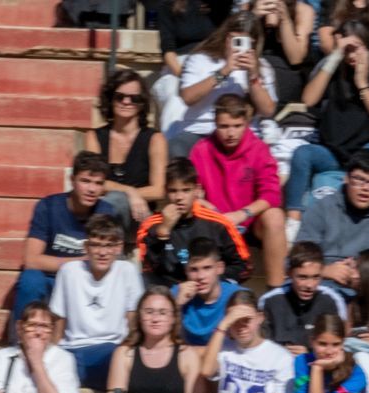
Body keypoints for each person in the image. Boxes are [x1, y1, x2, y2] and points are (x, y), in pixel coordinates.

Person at [286, 22, 369, 217]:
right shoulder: (333, 68)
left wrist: (362, 83)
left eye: (356, 49)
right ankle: (293, 219)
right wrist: (334, 56)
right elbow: (309, 99)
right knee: (302, 154)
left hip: (365, 149)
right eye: (347, 49)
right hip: (332, 152)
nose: (351, 56)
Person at [190, 95, 288, 289]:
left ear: (247, 123)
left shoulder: (259, 149)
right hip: (214, 223)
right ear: (215, 124)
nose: (230, 133)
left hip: (250, 223)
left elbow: (271, 194)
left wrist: (241, 214)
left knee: (275, 216)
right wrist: (211, 210)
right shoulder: (201, 150)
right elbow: (190, 192)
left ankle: (276, 292)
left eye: (237, 126)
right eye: (224, 126)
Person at [10, 152, 110, 323]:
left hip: (84, 282)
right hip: (49, 278)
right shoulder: (48, 207)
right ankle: (21, 340)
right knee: (31, 279)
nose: (92, 189)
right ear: (72, 180)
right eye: (85, 181)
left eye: (98, 183)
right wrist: (82, 261)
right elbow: (31, 260)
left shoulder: (106, 212)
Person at [296, 148, 369, 296]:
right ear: (346, 179)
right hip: (323, 288)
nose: (365, 188)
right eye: (359, 179)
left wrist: (360, 273)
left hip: (368, 292)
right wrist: (325, 270)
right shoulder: (322, 208)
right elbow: (295, 260)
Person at [51, 214, 145, 392]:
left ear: (119, 247)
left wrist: (127, 350)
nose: (102, 252)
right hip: (73, 349)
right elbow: (59, 320)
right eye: (96, 245)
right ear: (86, 247)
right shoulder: (69, 271)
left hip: (112, 349)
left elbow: (134, 321)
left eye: (109, 245)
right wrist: (52, 354)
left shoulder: (128, 271)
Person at [173, 10, 279, 152]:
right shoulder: (200, 59)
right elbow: (188, 97)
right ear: (226, 37)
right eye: (236, 40)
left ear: (254, 42)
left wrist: (253, 75)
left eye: (245, 41)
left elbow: (268, 110)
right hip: (200, 130)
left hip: (241, 135)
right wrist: (225, 70)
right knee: (176, 148)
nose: (239, 46)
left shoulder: (262, 67)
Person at [138, 158, 252, 285]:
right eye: (173, 191)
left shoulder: (218, 223)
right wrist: (163, 232)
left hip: (209, 292)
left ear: (197, 190)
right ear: (165, 191)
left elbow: (243, 267)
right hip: (170, 295)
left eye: (186, 190)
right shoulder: (150, 226)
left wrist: (209, 281)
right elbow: (149, 271)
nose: (179, 197)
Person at [86, 67, 168, 233]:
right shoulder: (95, 137)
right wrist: (130, 193)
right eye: (120, 97)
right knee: (113, 200)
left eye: (134, 98)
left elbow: (159, 190)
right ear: (110, 99)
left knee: (115, 199)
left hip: (139, 216)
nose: (126, 102)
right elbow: (94, 182)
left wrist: (129, 196)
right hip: (103, 212)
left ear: (142, 103)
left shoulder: (154, 139)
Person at [154, 0, 234, 135]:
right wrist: (186, 78)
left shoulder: (222, 6)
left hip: (214, 63)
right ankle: (172, 145)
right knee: (175, 99)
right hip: (179, 66)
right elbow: (168, 52)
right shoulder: (168, 5)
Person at [262, 240, 349, 352]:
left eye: (316, 277)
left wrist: (308, 355)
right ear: (289, 273)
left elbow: (338, 348)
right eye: (302, 277)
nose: (309, 285)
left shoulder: (332, 301)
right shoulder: (271, 301)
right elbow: (260, 345)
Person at [179, 237, 243, 346]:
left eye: (207, 268)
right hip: (190, 359)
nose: (200, 276)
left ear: (220, 268)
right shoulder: (177, 294)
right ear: (186, 271)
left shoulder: (238, 297)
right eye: (194, 269)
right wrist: (176, 305)